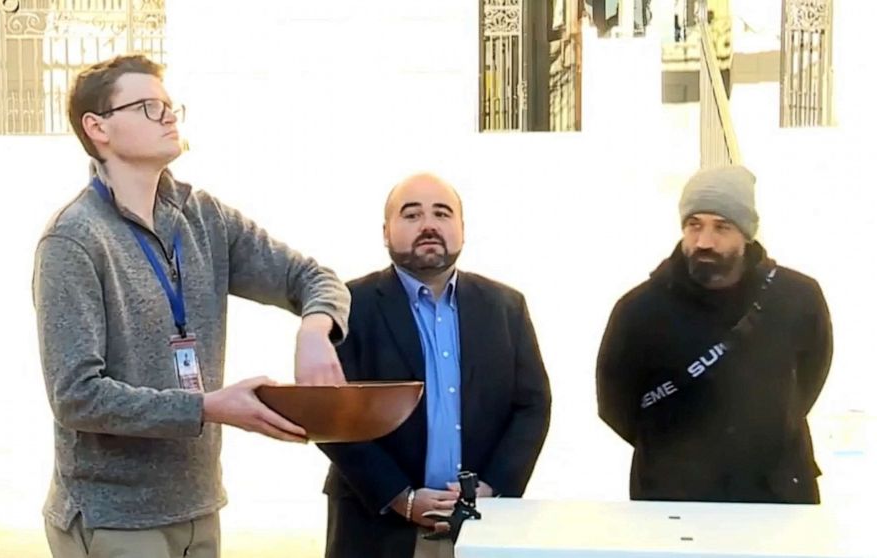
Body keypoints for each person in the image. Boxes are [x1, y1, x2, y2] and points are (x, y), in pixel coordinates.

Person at [33, 54, 350, 558]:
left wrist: (315, 328)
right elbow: (76, 396)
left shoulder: (202, 216)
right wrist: (206, 407)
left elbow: (312, 277)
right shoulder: (74, 239)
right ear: (98, 128)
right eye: (148, 107)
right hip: (115, 518)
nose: (168, 116)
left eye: (169, 104)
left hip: (200, 507)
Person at [319, 173, 551, 557]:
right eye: (411, 215)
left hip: (481, 526)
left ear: (462, 228)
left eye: (442, 214)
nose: (428, 225)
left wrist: (494, 487)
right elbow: (331, 413)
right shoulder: (348, 306)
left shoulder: (506, 307)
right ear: (386, 231)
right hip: (374, 525)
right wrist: (400, 497)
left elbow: (533, 405)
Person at [596, 164, 832, 504]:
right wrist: (674, 451)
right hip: (673, 498)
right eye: (694, 226)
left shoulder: (797, 297)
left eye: (721, 227)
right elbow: (615, 403)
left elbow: (812, 375)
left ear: (747, 233)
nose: (704, 241)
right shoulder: (640, 309)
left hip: (778, 492)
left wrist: (769, 424)